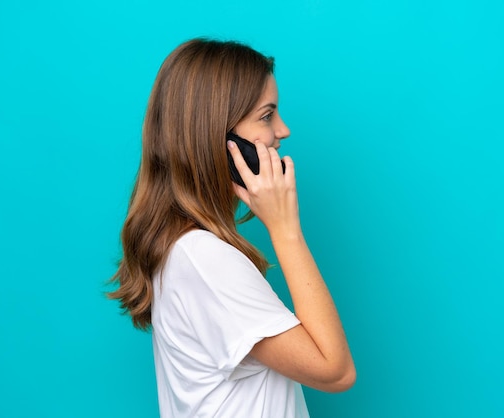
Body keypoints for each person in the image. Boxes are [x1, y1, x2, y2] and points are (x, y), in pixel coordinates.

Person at [109, 38, 356, 417]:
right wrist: (286, 230)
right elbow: (335, 371)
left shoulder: (187, 252)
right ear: (218, 137)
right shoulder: (204, 259)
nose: (282, 130)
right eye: (266, 115)